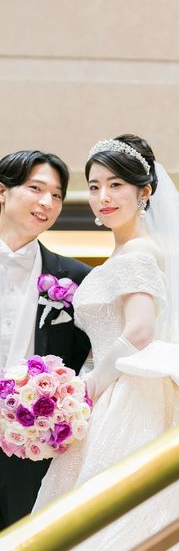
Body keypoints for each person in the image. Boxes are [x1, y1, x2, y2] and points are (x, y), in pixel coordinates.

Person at [33, 135, 179, 549]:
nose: (103, 197)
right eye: (94, 186)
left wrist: (88, 388)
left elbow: (140, 331)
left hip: (126, 392)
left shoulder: (139, 251)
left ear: (144, 192)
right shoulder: (126, 250)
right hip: (116, 384)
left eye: (116, 185)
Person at [0, 150, 91, 529]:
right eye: (36, 189)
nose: (47, 203)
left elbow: (84, 360)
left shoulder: (75, 278)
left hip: (29, 443)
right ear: (2, 192)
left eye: (57, 195)